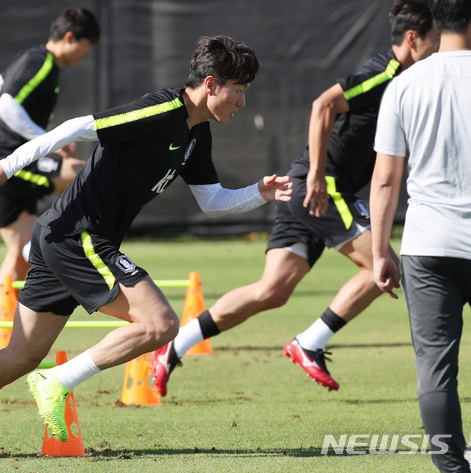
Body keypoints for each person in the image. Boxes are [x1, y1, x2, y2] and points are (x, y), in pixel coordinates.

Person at [0, 34, 293, 459]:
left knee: (21, 355)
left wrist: (257, 192)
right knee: (160, 324)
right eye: (240, 90)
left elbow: (212, 200)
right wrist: (9, 165)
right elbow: (76, 128)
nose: (243, 103)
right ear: (211, 84)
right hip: (78, 236)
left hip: (58, 236)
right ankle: (58, 381)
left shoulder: (197, 135)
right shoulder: (161, 110)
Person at [152, 0, 439, 396]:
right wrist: (319, 176)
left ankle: (175, 345)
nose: (443, 45)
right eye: (437, 38)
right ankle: (312, 342)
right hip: (319, 186)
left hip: (303, 186)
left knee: (272, 290)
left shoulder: (409, 80)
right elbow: (323, 104)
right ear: (413, 38)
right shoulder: (386, 70)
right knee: (383, 265)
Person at [370, 1, 471, 471]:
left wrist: (378, 251)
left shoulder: (405, 84)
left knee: (435, 370)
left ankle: (452, 467)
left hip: (427, 247)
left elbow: (386, 179)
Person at [0, 7, 100, 354]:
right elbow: (5, 106)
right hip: (9, 167)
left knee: (17, 254)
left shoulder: (31, 58)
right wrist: (47, 139)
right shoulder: (42, 63)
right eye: (86, 47)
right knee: (79, 172)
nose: (86, 55)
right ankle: (72, 245)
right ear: (70, 38)